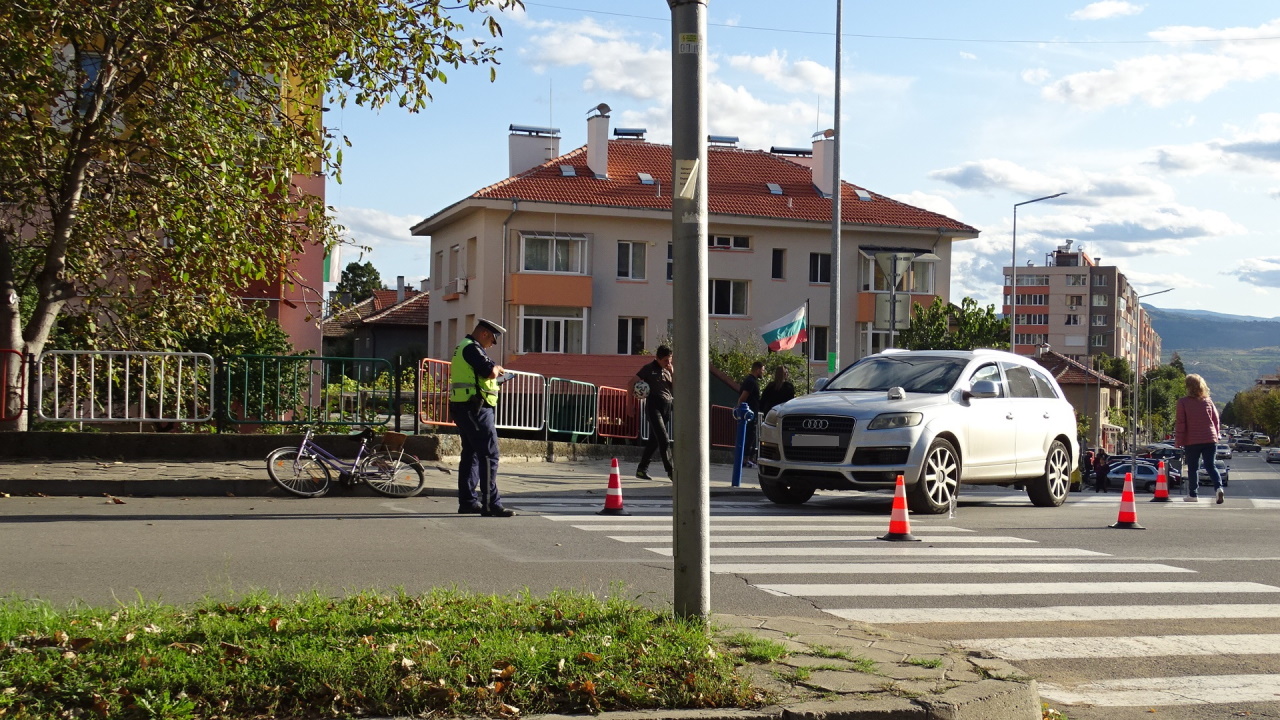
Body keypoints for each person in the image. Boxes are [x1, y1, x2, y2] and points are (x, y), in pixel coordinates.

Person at [449, 319, 513, 517]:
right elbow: (488, 371)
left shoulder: (465, 347)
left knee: (472, 454)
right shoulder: (472, 349)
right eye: (493, 339)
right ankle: (490, 504)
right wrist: (496, 368)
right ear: (485, 333)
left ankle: (468, 502)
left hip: (465, 406)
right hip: (475, 408)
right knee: (489, 455)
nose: (493, 344)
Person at [1175, 373, 1223, 504]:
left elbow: (1181, 422)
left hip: (1192, 440)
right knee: (1210, 465)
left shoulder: (1183, 402)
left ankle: (1193, 494)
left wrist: (1178, 440)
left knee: (1193, 468)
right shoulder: (1208, 400)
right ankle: (1218, 488)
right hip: (1210, 438)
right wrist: (1217, 435)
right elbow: (1216, 419)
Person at [630, 345, 674, 481]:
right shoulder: (648, 369)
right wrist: (629, 405)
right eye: (666, 360)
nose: (668, 363)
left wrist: (672, 373)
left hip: (667, 406)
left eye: (670, 360)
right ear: (658, 358)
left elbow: (675, 388)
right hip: (653, 406)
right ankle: (671, 471)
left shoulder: (668, 370)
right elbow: (630, 383)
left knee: (654, 441)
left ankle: (641, 469)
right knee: (664, 439)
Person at [737, 361, 765, 467]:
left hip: (751, 414)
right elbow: (743, 397)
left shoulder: (750, 381)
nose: (763, 372)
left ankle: (746, 458)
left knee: (751, 437)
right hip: (748, 415)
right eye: (762, 370)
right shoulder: (751, 382)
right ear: (757, 370)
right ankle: (745, 459)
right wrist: (741, 410)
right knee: (749, 437)